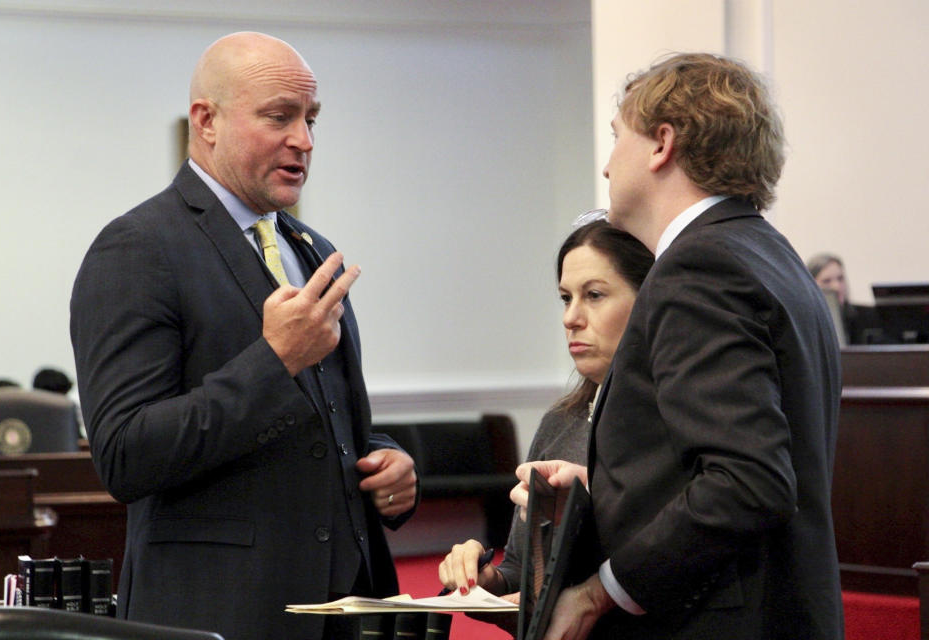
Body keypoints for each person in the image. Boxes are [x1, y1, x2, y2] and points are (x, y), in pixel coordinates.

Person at [69, 32, 417, 640]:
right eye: (279, 117)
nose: (304, 141)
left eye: (311, 119)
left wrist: (385, 460)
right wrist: (274, 359)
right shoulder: (138, 247)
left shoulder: (311, 249)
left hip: (350, 607)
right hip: (224, 613)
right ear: (206, 121)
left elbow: (327, 418)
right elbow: (126, 455)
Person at [514, 53, 843, 639]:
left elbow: (749, 482)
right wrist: (601, 490)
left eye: (617, 139)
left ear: (662, 144)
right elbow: (724, 458)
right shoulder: (768, 253)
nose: (609, 166)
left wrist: (596, 594)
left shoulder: (699, 266)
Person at [436, 220, 652, 610]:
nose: (571, 318)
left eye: (595, 295)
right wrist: (483, 577)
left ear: (649, 300)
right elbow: (521, 570)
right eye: (566, 298)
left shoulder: (673, 421)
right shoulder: (560, 422)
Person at [806, 252, 884, 344]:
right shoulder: (806, 323)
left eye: (840, 278)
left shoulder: (868, 316)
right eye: (826, 281)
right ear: (810, 285)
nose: (837, 287)